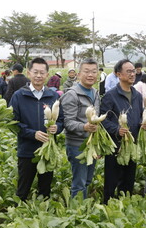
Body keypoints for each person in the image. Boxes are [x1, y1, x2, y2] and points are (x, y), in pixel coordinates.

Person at [10, 58, 63, 201]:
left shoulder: (53, 96)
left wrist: (57, 128)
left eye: (42, 72)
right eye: (35, 72)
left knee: (45, 190)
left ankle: (42, 216)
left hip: (48, 151)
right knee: (23, 189)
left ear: (47, 74)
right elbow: (12, 123)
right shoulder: (19, 95)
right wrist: (32, 134)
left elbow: (61, 120)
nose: (38, 76)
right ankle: (19, 216)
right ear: (28, 73)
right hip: (27, 151)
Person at [100, 59, 146, 203]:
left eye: (133, 71)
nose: (133, 74)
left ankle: (125, 204)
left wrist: (142, 124)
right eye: (129, 71)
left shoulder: (137, 95)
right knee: (112, 178)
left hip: (132, 144)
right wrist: (116, 129)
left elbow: (138, 115)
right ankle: (107, 204)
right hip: (116, 145)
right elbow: (103, 120)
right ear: (119, 74)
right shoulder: (111, 95)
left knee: (129, 178)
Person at [60, 59, 100, 198]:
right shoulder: (71, 94)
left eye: (94, 72)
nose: (91, 75)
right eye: (86, 71)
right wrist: (84, 127)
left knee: (87, 180)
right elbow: (67, 123)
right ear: (78, 74)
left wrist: (97, 145)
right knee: (80, 183)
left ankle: (82, 209)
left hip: (91, 144)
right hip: (77, 145)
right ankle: (76, 214)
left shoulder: (95, 92)